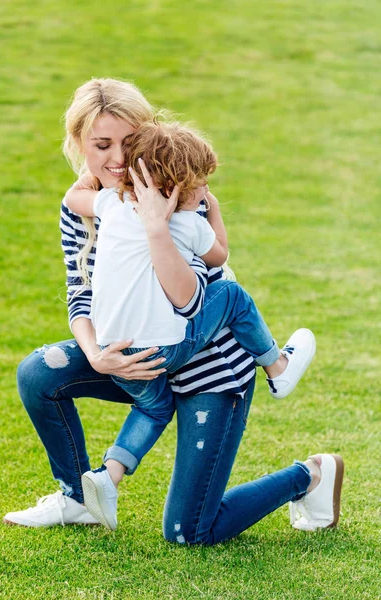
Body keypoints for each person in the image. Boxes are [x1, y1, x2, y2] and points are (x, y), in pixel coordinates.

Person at [3, 78, 344, 540]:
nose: (118, 159)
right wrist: (99, 355)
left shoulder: (183, 195)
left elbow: (194, 301)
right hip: (140, 359)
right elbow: (79, 293)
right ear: (79, 144)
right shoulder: (88, 204)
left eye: (129, 142)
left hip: (206, 362)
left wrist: (155, 227)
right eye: (102, 145)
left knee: (188, 532)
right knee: (39, 371)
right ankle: (79, 497)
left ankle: (311, 476)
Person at [65, 120, 316, 530]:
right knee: (233, 297)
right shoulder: (188, 222)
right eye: (200, 184)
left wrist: (104, 179)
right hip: (169, 347)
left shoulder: (111, 205)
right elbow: (219, 256)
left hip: (116, 350)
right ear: (178, 190)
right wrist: (212, 212)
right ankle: (277, 366)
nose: (205, 192)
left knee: (154, 405)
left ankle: (108, 476)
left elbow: (76, 198)